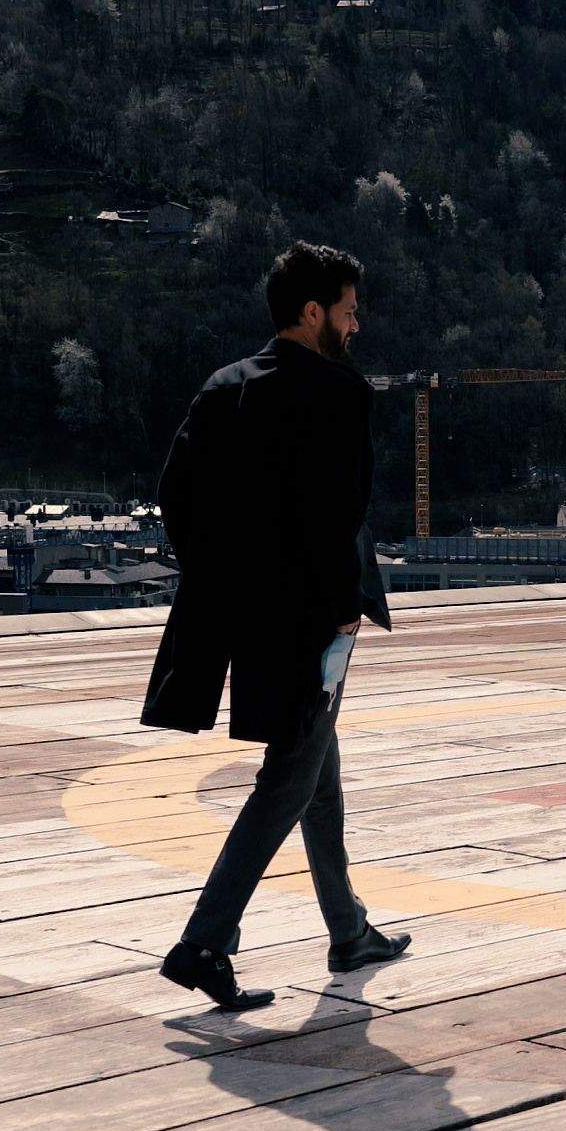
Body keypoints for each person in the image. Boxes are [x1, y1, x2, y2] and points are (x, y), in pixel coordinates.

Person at [139, 241, 413, 1010]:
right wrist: (344, 614)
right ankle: (204, 942)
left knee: (316, 764)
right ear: (313, 311)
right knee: (289, 777)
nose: (356, 326)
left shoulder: (223, 387)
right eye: (349, 311)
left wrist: (226, 578)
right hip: (315, 622)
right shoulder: (338, 393)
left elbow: (175, 497)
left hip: (245, 616)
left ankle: (348, 929)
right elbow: (341, 517)